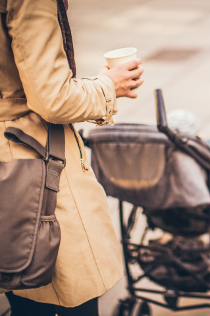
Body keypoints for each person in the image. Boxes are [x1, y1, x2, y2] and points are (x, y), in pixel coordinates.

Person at [0, 0, 144, 315]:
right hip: (35, 168)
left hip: (10, 169)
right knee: (68, 293)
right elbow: (54, 99)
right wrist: (109, 86)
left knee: (20, 289)